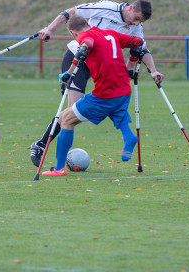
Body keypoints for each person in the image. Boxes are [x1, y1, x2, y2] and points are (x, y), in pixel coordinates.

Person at [30, 0, 164, 166]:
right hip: (78, 57)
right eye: (136, 18)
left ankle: (60, 155)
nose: (136, 23)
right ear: (130, 8)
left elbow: (141, 48)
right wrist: (49, 28)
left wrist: (153, 70)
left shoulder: (136, 27)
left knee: (109, 98)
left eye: (140, 21)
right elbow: (70, 12)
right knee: (73, 110)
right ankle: (42, 145)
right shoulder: (106, 8)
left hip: (101, 66)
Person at [42, 14, 144, 176]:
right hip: (124, 89)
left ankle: (59, 168)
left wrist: (69, 72)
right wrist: (133, 57)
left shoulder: (84, 36)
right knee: (116, 110)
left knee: (65, 119)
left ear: (73, 33)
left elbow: (87, 44)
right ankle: (129, 136)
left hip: (105, 94)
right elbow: (138, 42)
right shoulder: (110, 33)